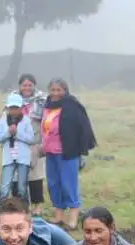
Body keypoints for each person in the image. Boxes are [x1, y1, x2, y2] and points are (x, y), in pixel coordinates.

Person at [41, 78, 97, 230]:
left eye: (59, 90)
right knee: (54, 184)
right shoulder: (47, 106)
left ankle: (73, 219)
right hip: (50, 152)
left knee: (69, 184)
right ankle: (58, 217)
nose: (55, 93)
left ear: (65, 91)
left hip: (68, 153)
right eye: (53, 90)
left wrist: (81, 150)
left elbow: (82, 127)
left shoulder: (72, 105)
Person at [12, 74, 47, 216]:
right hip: (16, 143)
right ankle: (18, 206)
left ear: (34, 85)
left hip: (34, 142)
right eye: (24, 85)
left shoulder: (42, 100)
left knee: (35, 176)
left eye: (29, 85)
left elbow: (46, 121)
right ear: (19, 86)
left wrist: (44, 142)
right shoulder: (13, 100)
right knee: (16, 175)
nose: (27, 88)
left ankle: (37, 207)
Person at [0, 93, 35, 204]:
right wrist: (8, 133)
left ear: (21, 108)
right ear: (7, 108)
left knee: (22, 187)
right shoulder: (3, 121)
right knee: (4, 187)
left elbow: (31, 139)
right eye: (11, 108)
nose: (14, 111)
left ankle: (24, 211)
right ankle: (0, 210)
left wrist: (17, 134)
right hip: (8, 158)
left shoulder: (26, 121)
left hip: (23, 159)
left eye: (16, 108)